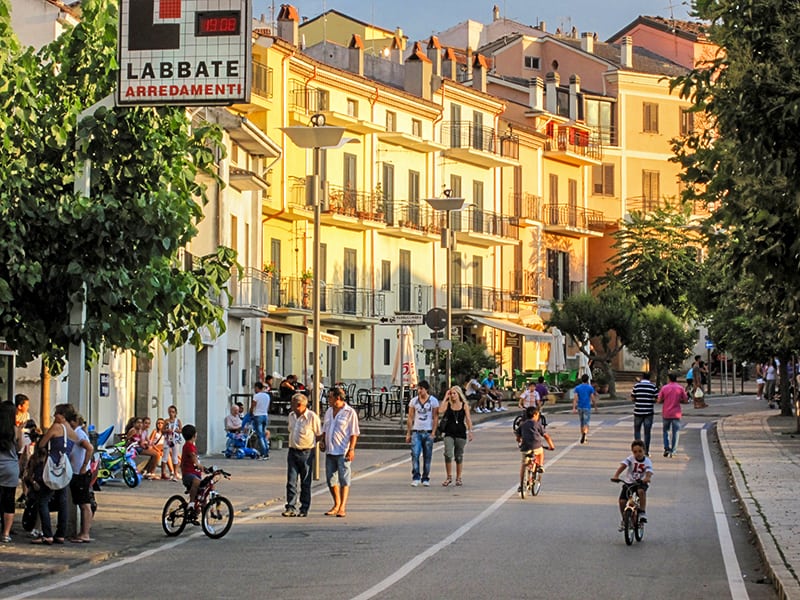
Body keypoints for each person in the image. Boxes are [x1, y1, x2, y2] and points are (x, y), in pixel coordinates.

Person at [35, 403, 80, 545]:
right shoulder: (73, 433)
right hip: (64, 468)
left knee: (43, 500)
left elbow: (42, 444)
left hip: (51, 467)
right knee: (63, 501)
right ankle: (61, 533)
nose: (54, 416)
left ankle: (47, 534)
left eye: (56, 414)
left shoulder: (56, 428)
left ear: (62, 416)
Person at [321, 386, 359, 517]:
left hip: (343, 450)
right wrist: (322, 441)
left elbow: (354, 433)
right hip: (330, 450)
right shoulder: (328, 411)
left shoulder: (349, 412)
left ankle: (342, 506)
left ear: (337, 398)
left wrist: (351, 449)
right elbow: (325, 429)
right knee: (330, 480)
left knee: (344, 479)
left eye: (330, 397)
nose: (328, 400)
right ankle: (336, 503)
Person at [282, 393, 321, 518]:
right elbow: (290, 430)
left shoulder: (311, 417)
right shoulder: (291, 416)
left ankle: (304, 507)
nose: (291, 406)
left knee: (305, 481)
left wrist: (314, 446)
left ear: (299, 405)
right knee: (291, 481)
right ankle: (290, 506)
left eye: (293, 404)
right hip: (293, 451)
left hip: (307, 452)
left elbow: (318, 433)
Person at [611, 439, 654, 528]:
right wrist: (616, 475)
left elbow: (649, 471)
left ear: (644, 451)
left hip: (641, 482)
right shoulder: (631, 459)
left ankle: (642, 512)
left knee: (641, 491)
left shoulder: (647, 461)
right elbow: (623, 466)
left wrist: (647, 478)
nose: (638, 454)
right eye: (635, 452)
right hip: (629, 482)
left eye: (640, 451)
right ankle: (625, 519)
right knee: (622, 501)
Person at [66, 412, 94, 543]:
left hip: (81, 472)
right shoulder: (78, 433)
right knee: (81, 502)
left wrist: (84, 466)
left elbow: (89, 448)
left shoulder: (78, 434)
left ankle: (85, 533)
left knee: (84, 504)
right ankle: (82, 532)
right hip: (76, 471)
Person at [405, 380, 439, 486]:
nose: (419, 391)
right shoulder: (414, 401)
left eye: (421, 389)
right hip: (417, 431)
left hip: (428, 431)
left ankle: (426, 477)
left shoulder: (433, 401)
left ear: (426, 389)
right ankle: (416, 476)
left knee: (427, 456)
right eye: (418, 389)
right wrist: (408, 433)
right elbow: (410, 417)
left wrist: (433, 432)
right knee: (415, 454)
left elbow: (435, 417)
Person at [438, 386, 473, 487]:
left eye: (454, 394)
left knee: (458, 456)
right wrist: (445, 397)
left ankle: (458, 478)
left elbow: (468, 419)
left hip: (460, 433)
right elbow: (440, 410)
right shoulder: (448, 404)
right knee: (448, 454)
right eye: (451, 393)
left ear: (459, 394)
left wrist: (470, 431)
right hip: (449, 432)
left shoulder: (464, 405)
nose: (452, 396)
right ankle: (449, 477)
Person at [515, 405, 555, 494]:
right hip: (536, 446)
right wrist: (551, 446)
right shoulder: (537, 424)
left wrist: (519, 441)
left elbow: (518, 436)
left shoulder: (522, 424)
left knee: (523, 464)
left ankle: (522, 484)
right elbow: (546, 436)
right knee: (541, 452)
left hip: (525, 447)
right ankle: (540, 465)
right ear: (535, 415)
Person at [657, 372, 689, 457]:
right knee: (676, 432)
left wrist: (665, 400)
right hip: (676, 413)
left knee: (665, 431)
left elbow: (659, 400)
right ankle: (674, 450)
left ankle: (667, 448)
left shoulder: (664, 388)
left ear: (669, 379)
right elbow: (686, 400)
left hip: (666, 413)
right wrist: (679, 400)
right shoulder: (680, 388)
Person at [0, 401, 19, 543]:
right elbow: (21, 448)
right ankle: (6, 533)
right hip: (11, 468)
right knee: (9, 500)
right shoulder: (15, 430)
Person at [630, 371, 658, 456]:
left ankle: (637, 450)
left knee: (637, 431)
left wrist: (637, 400)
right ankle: (646, 451)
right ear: (649, 378)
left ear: (642, 377)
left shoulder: (636, 386)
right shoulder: (653, 387)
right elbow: (656, 399)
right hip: (648, 412)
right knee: (647, 432)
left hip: (638, 411)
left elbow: (632, 398)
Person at [14, 394, 34, 507]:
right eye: (26, 405)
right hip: (16, 447)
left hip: (25, 447)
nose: (28, 407)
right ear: (20, 406)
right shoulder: (12, 417)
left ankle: (25, 494)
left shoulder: (27, 416)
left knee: (25, 471)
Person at [180, 424, 204, 516]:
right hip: (188, 474)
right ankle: (192, 502)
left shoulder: (192, 446)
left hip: (195, 474)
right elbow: (194, 459)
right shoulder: (188, 446)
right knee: (197, 482)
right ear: (195, 435)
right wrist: (199, 466)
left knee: (206, 488)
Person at [572, 374, 597, 444]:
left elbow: (575, 398)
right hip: (587, 407)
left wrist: (574, 408)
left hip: (580, 407)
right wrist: (595, 407)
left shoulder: (577, 388)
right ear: (587, 380)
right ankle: (585, 435)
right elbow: (592, 398)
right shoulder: (590, 388)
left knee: (582, 422)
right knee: (586, 422)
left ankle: (582, 434)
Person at [250, 381, 271, 459]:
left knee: (260, 435)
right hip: (265, 415)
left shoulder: (256, 396)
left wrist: (251, 413)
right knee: (264, 434)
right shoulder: (267, 396)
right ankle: (266, 450)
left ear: (257, 387)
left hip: (257, 415)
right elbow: (268, 407)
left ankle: (264, 453)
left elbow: (253, 406)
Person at [162, 405, 182, 481]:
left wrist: (177, 430)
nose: (171, 413)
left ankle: (175, 474)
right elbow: (162, 430)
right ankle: (163, 473)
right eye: (170, 412)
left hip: (175, 440)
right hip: (168, 439)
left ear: (175, 413)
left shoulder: (178, 421)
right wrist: (167, 430)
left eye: (173, 412)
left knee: (175, 456)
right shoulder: (166, 421)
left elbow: (181, 430)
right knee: (165, 456)